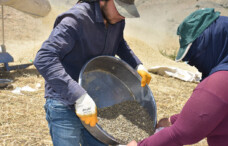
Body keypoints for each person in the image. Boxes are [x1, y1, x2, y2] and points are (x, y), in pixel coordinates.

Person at [127, 8, 228, 146]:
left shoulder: (224, 81)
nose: (190, 62)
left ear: (213, 43)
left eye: (193, 54)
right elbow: (209, 112)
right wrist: (171, 120)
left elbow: (180, 134)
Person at [34, 0, 151, 145]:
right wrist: (79, 96)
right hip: (65, 103)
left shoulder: (116, 20)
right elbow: (44, 58)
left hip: (97, 103)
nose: (123, 15)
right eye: (120, 8)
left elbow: (119, 42)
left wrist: (137, 64)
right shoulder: (76, 20)